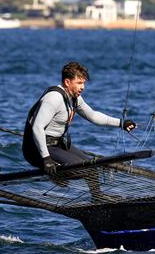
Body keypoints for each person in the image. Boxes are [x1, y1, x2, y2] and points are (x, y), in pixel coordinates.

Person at [22, 62, 137, 199]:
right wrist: (46, 158)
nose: (83, 87)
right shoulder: (53, 98)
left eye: (84, 83)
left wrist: (121, 123)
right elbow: (37, 127)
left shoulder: (74, 98)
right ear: (67, 82)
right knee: (83, 170)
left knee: (91, 166)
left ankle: (97, 197)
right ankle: (56, 174)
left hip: (57, 145)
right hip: (37, 149)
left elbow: (93, 116)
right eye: (79, 83)